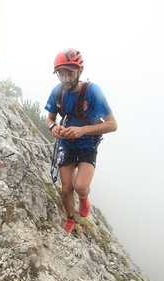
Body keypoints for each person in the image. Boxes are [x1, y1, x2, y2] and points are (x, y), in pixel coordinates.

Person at [44, 48, 117, 234]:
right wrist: (54, 128)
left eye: (70, 73)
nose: (65, 79)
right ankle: (70, 219)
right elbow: (49, 119)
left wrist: (82, 130)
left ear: (79, 71)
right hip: (66, 144)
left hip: (88, 145)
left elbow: (112, 125)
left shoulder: (92, 92)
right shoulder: (57, 92)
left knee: (81, 187)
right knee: (67, 188)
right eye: (61, 74)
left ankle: (84, 198)